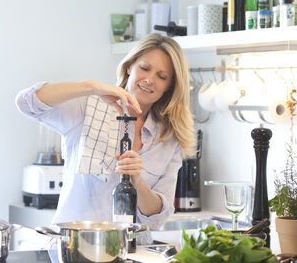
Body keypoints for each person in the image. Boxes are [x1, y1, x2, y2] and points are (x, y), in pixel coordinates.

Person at [16, 33, 195, 234]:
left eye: (161, 77)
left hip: (132, 251)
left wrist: (138, 181)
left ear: (169, 86)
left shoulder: (169, 138)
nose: (149, 80)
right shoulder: (89, 107)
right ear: (129, 66)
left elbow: (157, 217)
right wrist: (91, 87)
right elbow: (26, 103)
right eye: (144, 68)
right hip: (77, 248)